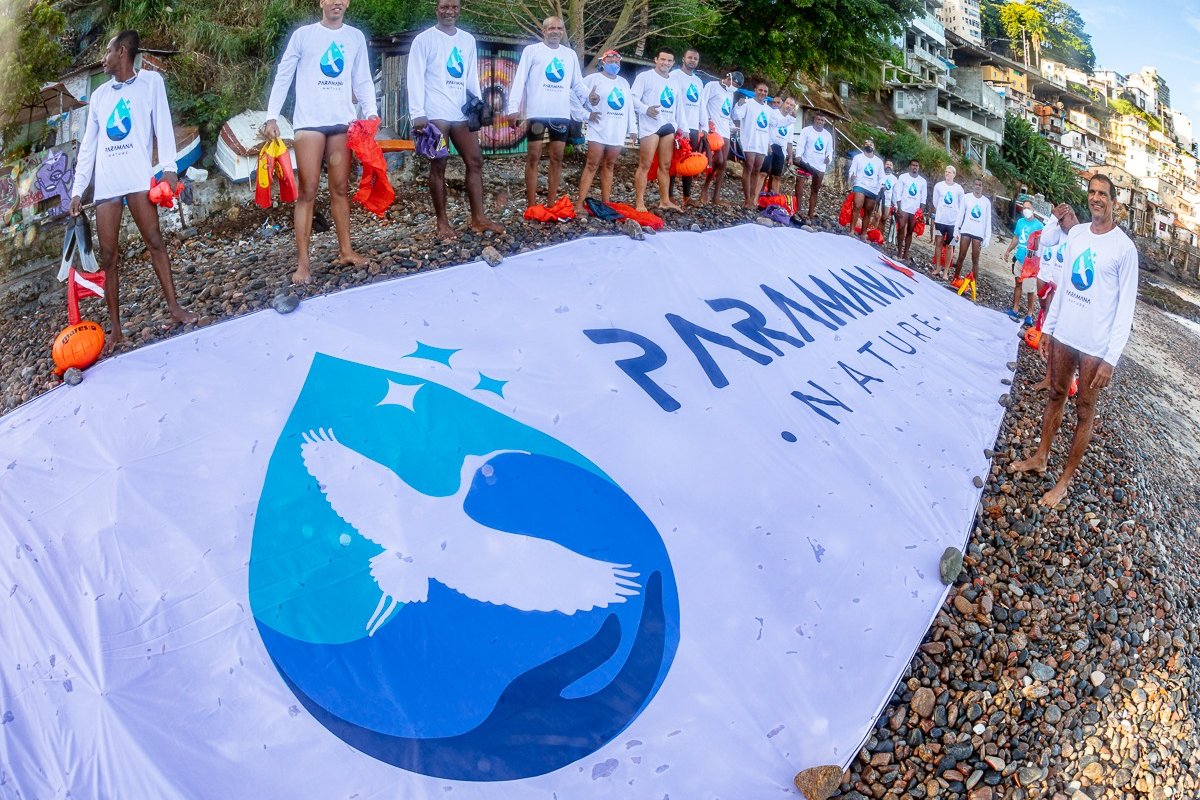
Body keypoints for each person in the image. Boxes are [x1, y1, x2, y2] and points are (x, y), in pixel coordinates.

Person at [1011, 175, 1139, 507]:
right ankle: (1040, 458)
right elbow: (1066, 286)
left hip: (1096, 345)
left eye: (1103, 194)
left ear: (1114, 202)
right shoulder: (1078, 234)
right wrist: (1049, 331)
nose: (1096, 198)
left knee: (1084, 409)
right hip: (1065, 333)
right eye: (1092, 193)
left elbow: (1125, 310)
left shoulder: (1124, 249)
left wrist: (1111, 358)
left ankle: (1064, 481)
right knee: (1055, 393)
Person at [69, 30, 197, 349]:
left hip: (139, 178)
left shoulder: (151, 84)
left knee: (155, 241)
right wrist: (77, 190)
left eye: (109, 52)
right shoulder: (99, 97)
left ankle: (175, 308)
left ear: (123, 52)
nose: (104, 58)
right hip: (108, 185)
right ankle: (116, 329)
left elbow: (163, 126)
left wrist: (169, 169)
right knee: (109, 256)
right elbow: (88, 147)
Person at [264, 0, 378, 284]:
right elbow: (284, 74)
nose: (336, 2)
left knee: (340, 188)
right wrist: (271, 116)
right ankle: (303, 264)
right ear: (321, 2)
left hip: (342, 123)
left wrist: (372, 113)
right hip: (309, 124)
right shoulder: (304, 35)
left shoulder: (354, 37)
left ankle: (346, 250)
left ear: (348, 3)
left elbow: (362, 78)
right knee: (308, 190)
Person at [407, 0, 504, 240]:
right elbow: (415, 76)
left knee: (475, 161)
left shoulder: (467, 40)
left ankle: (478, 218)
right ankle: (442, 223)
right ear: (436, 9)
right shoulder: (424, 39)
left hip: (461, 113)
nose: (449, 11)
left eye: (454, 7)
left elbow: (470, 74)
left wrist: (479, 106)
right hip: (435, 115)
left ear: (459, 9)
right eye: (444, 7)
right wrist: (417, 112)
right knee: (439, 165)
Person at [507, 16, 587, 209]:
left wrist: (590, 98)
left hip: (560, 113)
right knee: (533, 156)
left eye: (560, 28)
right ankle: (532, 203)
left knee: (557, 157)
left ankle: (551, 203)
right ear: (544, 31)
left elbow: (577, 83)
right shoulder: (532, 51)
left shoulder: (569, 55)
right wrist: (512, 108)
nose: (556, 32)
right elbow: (519, 81)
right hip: (537, 113)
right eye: (552, 28)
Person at [575, 50, 634, 212]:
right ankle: (579, 203)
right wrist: (586, 114)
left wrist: (633, 129)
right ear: (603, 62)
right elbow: (575, 95)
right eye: (611, 61)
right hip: (598, 128)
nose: (615, 64)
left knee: (609, 164)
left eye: (617, 61)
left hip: (617, 129)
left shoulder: (624, 83)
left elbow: (629, 107)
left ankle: (606, 203)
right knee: (592, 164)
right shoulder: (592, 79)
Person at [1029, 203, 1079, 392]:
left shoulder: (1078, 235)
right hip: (1051, 288)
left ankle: (1065, 379)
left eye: (1067, 219)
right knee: (1051, 333)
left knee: (1064, 339)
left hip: (1067, 294)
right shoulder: (1058, 231)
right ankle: (1049, 378)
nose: (1064, 223)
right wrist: (1053, 219)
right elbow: (1046, 240)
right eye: (1062, 219)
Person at [630, 50, 683, 212]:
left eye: (669, 60)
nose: (665, 63)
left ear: (673, 63)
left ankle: (665, 200)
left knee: (665, 165)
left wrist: (683, 128)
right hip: (650, 125)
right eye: (663, 59)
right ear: (656, 60)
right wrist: (646, 109)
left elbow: (679, 107)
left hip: (668, 125)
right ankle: (640, 202)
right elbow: (632, 97)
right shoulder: (644, 77)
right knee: (645, 164)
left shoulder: (674, 83)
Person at [697, 70, 743, 206]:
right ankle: (705, 188)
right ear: (728, 77)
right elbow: (702, 104)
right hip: (713, 129)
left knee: (723, 164)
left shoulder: (731, 93)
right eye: (733, 83)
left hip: (725, 130)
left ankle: (716, 196)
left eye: (737, 86)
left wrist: (732, 126)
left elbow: (727, 112)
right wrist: (705, 124)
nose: (733, 87)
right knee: (718, 160)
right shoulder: (712, 86)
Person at [668, 49, 704, 207]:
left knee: (689, 162)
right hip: (678, 126)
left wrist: (703, 126)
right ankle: (668, 195)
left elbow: (701, 104)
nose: (692, 60)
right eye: (690, 57)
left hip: (694, 127)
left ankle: (686, 196)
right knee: (673, 162)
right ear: (683, 58)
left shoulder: (698, 81)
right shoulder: (674, 76)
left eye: (695, 58)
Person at [732, 81, 772, 208]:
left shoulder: (768, 109)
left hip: (761, 143)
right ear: (755, 90)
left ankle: (753, 198)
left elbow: (775, 124)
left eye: (765, 91)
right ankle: (747, 199)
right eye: (760, 90)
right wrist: (738, 105)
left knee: (757, 170)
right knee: (748, 167)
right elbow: (736, 115)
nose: (762, 93)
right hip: (749, 141)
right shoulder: (748, 103)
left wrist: (790, 117)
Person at [1004, 199, 1044, 323]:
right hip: (1020, 257)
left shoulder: (1039, 226)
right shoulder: (1020, 222)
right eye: (1024, 207)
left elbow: (1042, 245)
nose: (1026, 210)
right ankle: (1015, 309)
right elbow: (1016, 238)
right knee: (1018, 284)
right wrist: (1008, 250)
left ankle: (1029, 315)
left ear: (1033, 210)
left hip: (1031, 262)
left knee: (1030, 289)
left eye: (1028, 207)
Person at [793, 111, 834, 222]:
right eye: (818, 119)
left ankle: (811, 213)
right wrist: (798, 156)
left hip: (820, 166)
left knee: (815, 189)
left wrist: (828, 158)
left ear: (825, 122)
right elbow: (801, 144)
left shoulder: (828, 135)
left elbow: (830, 150)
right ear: (814, 120)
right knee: (799, 184)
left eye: (822, 120)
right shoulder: (806, 131)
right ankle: (798, 209)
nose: (820, 122)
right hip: (806, 162)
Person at [951, 178, 992, 281]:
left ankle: (973, 283)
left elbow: (988, 220)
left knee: (975, 259)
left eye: (980, 185)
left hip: (978, 233)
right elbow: (960, 215)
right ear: (973, 185)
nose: (978, 186)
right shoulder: (966, 197)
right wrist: (956, 229)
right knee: (961, 256)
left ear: (982, 187)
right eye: (976, 184)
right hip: (966, 231)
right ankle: (955, 278)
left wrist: (987, 237)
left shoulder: (986, 202)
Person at [930, 166, 965, 279]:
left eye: (949, 172)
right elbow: (935, 202)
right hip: (940, 220)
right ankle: (938, 267)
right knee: (938, 243)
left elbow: (961, 205)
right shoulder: (939, 186)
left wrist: (958, 220)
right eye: (946, 172)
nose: (947, 174)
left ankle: (946, 271)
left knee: (950, 246)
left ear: (954, 174)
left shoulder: (959, 189)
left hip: (953, 223)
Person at [846, 138, 884, 241]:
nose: (869, 144)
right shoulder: (858, 158)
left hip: (873, 188)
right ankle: (852, 231)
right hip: (860, 184)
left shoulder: (879, 162)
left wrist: (882, 185)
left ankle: (863, 234)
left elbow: (881, 176)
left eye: (871, 143)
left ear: (874, 147)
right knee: (857, 206)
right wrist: (852, 176)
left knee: (868, 211)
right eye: (866, 143)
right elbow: (852, 170)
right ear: (864, 146)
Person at [892, 159, 927, 262]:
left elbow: (923, 197)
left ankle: (906, 253)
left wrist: (921, 212)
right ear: (909, 166)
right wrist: (899, 207)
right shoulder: (903, 177)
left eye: (917, 165)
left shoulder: (922, 181)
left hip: (915, 210)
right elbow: (898, 192)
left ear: (919, 167)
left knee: (910, 231)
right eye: (913, 165)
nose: (915, 167)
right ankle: (899, 251)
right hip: (904, 207)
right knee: (901, 228)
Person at [760, 96, 796, 195]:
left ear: (793, 108)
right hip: (770, 146)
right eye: (787, 103)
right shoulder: (773, 113)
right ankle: (757, 197)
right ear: (783, 103)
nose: (789, 106)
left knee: (776, 176)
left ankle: (774, 200)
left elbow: (789, 141)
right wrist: (766, 144)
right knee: (763, 173)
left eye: (791, 105)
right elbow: (765, 129)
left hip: (781, 150)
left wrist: (790, 157)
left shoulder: (791, 122)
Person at [875, 159, 897, 240]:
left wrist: (895, 204)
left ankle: (879, 236)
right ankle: (871, 233)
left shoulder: (894, 179)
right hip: (879, 198)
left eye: (890, 165)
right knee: (878, 216)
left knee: (884, 219)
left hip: (888, 201)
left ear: (892, 167)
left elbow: (895, 192)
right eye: (887, 164)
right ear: (884, 165)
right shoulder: (880, 174)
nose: (888, 166)